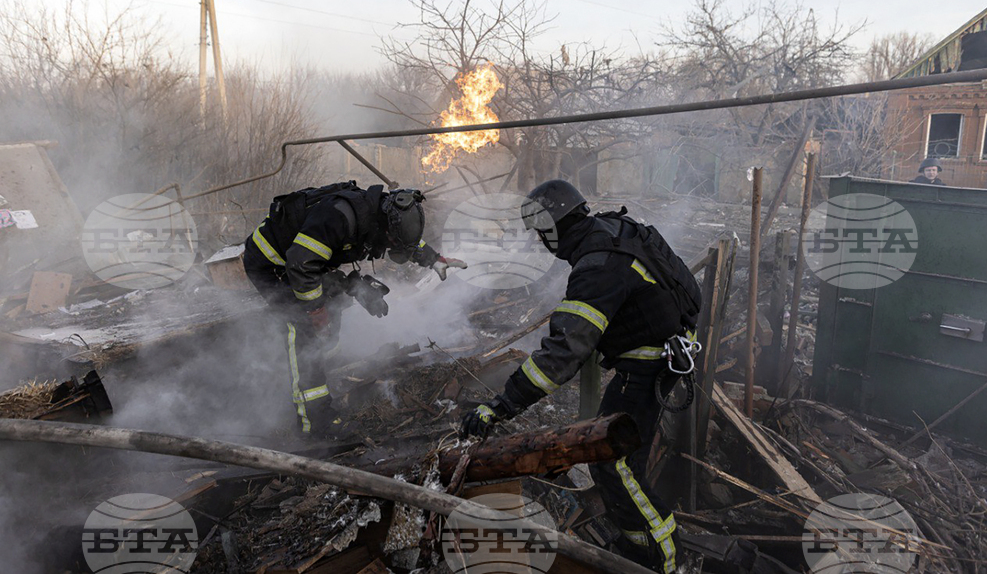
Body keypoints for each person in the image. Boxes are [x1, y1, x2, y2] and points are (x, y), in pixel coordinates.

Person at [459, 180, 702, 574]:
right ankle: (640, 542)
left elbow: (564, 353)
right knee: (619, 459)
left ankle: (660, 561)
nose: (540, 242)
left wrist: (501, 405)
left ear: (554, 229)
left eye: (541, 234)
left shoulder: (596, 267)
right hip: (668, 347)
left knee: (615, 462)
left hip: (649, 362)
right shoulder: (610, 229)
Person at [243, 181, 466, 436]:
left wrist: (434, 259)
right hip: (274, 263)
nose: (391, 245)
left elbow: (403, 239)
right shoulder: (339, 216)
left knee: (333, 305)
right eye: (391, 240)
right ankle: (315, 423)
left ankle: (320, 370)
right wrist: (315, 310)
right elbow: (300, 264)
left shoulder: (379, 214)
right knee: (301, 328)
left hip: (307, 263)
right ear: (386, 223)